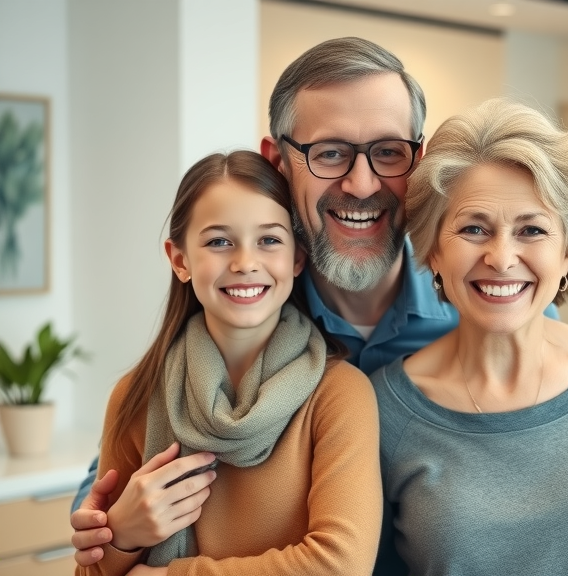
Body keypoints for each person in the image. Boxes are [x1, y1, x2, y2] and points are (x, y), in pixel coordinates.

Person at [71, 37, 555, 568]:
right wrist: (109, 532)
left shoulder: (496, 307)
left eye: (389, 152)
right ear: (278, 162)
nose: (362, 183)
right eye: (330, 154)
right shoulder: (247, 305)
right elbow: (120, 487)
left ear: (419, 160)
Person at [370, 97, 568, 576]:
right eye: (474, 228)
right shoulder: (383, 408)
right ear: (434, 251)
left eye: (531, 230)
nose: (502, 258)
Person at [77, 150, 382, 576]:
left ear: (297, 259)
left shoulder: (340, 395)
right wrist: (123, 536)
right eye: (219, 241)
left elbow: (341, 566)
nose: (244, 263)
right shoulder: (135, 396)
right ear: (180, 260)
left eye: (269, 240)